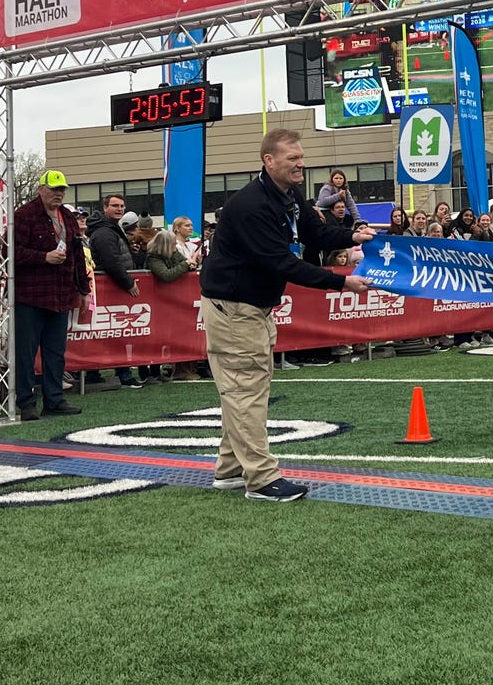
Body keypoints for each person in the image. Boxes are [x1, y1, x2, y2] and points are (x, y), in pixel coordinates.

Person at [199, 128, 375, 502]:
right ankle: (261, 479)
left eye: (301, 156)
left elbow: (316, 234)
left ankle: (230, 469)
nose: (301, 163)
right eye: (293, 158)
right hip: (234, 310)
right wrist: (342, 283)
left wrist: (352, 237)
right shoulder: (249, 206)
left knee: (247, 390)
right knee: (246, 392)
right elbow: (282, 263)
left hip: (254, 308)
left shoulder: (290, 195)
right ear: (269, 161)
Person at [13, 170, 91, 419]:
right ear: (40, 189)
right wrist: (43, 257)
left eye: (62, 190)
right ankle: (26, 403)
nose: (58, 194)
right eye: (54, 189)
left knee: (56, 352)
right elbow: (11, 252)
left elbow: (78, 255)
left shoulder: (67, 216)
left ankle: (54, 400)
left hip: (61, 295)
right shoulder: (23, 216)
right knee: (26, 352)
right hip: (30, 296)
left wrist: (83, 290)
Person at [87, 193, 144, 389]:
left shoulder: (110, 228)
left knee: (115, 331)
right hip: (112, 287)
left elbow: (116, 257)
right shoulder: (104, 232)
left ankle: (108, 373)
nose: (119, 209)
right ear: (104, 208)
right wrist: (128, 282)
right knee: (114, 332)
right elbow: (111, 262)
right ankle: (122, 373)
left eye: (122, 206)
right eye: (115, 206)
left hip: (114, 286)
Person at [145, 229, 198, 380]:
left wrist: (189, 265)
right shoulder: (154, 258)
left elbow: (184, 263)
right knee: (155, 337)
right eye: (173, 244)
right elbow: (166, 275)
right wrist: (186, 265)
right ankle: (152, 371)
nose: (175, 246)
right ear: (166, 245)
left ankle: (166, 369)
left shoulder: (172, 253)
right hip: (157, 302)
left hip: (171, 302)